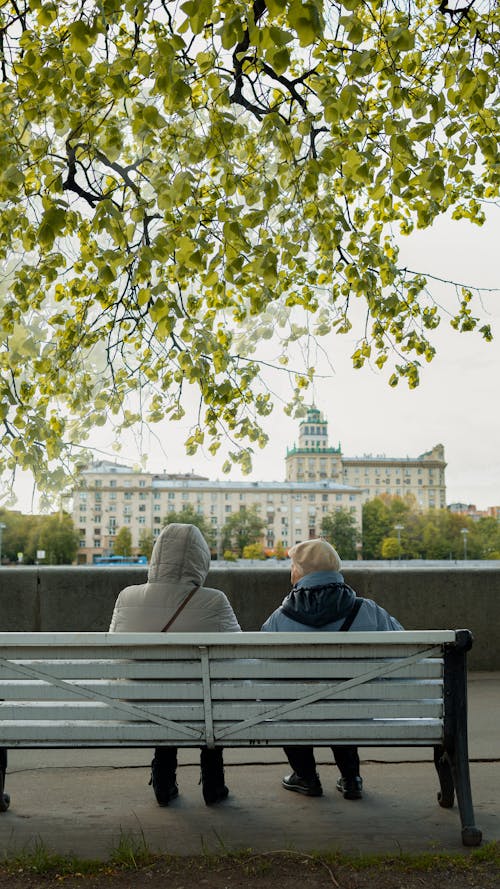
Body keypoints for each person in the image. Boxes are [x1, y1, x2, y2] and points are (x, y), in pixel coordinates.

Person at [109, 523, 241, 806]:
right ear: (200, 560)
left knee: (160, 690)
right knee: (206, 695)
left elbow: (116, 654)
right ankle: (213, 784)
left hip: (137, 703)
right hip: (202, 706)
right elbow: (237, 657)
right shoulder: (214, 601)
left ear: (157, 556)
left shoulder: (126, 597)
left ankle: (163, 778)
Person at [261, 537, 403, 801]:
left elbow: (262, 675)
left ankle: (306, 777)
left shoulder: (279, 619)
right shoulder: (368, 611)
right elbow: (405, 653)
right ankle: (351, 779)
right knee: (345, 700)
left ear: (300, 572)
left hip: (297, 714)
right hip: (356, 713)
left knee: (289, 706)